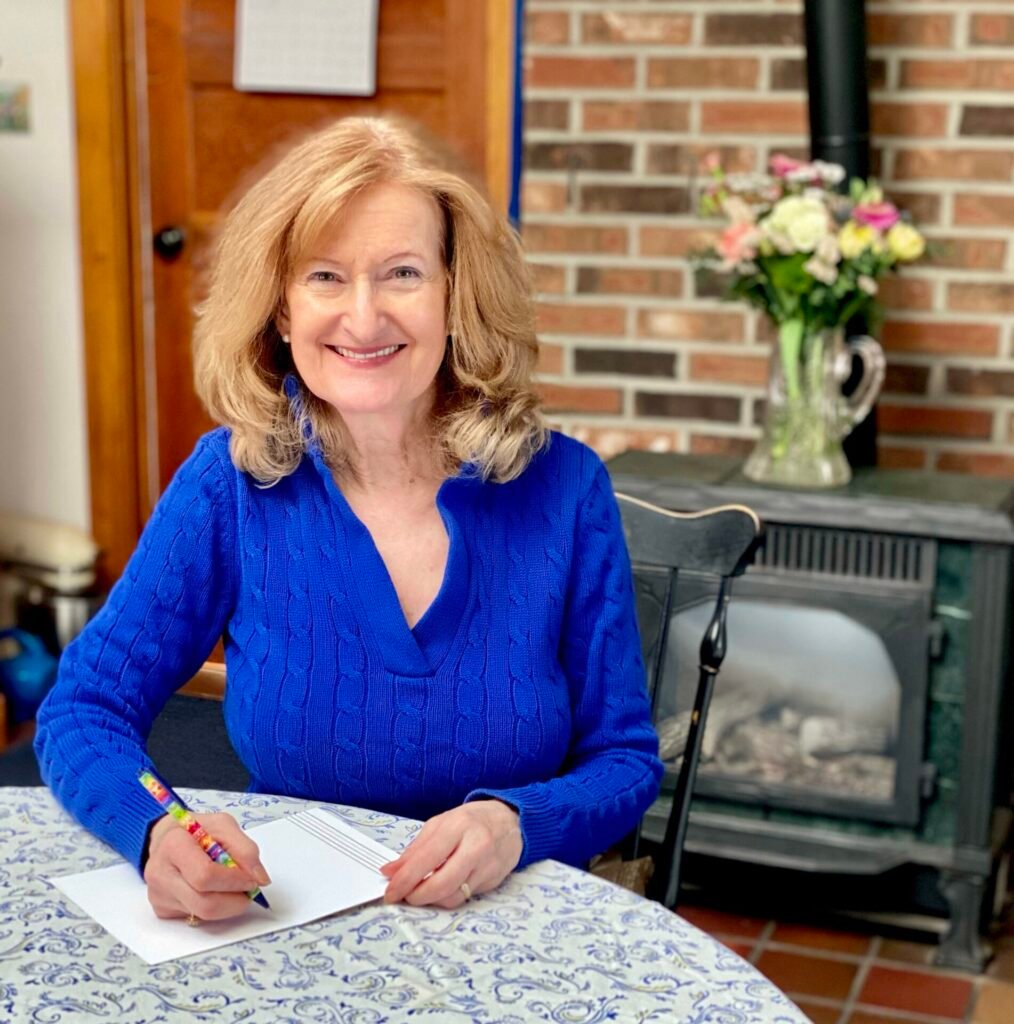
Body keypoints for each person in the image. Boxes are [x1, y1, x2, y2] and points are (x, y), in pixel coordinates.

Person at [34, 116, 662, 923]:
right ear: (282, 310)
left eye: (402, 274)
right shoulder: (229, 486)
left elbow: (622, 759)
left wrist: (517, 822)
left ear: (455, 295)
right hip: (284, 923)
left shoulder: (565, 488)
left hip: (511, 921)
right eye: (325, 277)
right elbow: (84, 708)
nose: (363, 319)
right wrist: (161, 829)